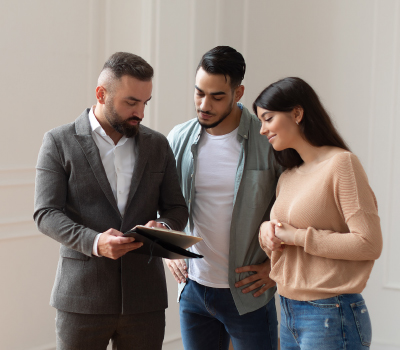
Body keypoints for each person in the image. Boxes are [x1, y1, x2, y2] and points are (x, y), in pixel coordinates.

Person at [33, 52, 188, 350]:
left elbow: (177, 208)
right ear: (101, 94)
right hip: (81, 298)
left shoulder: (157, 144)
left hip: (145, 299)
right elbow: (46, 213)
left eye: (145, 102)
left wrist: (164, 225)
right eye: (131, 102)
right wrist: (95, 242)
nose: (140, 113)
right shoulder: (58, 141)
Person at [254, 77, 383, 350]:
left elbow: (369, 243)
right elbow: (289, 249)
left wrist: (297, 236)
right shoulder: (288, 175)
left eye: (268, 118)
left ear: (297, 113)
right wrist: (267, 233)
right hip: (288, 309)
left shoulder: (341, 164)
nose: (262, 129)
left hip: (329, 311)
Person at [166, 46, 281, 350]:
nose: (204, 105)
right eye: (199, 93)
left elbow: (294, 212)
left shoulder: (268, 141)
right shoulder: (178, 138)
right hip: (193, 291)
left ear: (238, 92)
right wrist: (168, 249)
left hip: (248, 293)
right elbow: (161, 204)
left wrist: (276, 267)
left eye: (217, 96)